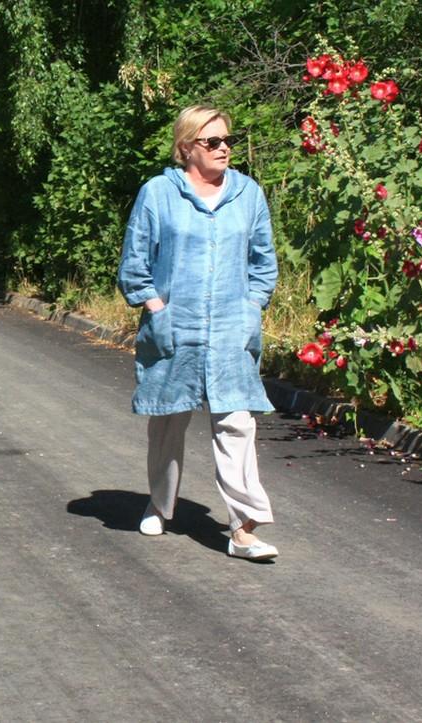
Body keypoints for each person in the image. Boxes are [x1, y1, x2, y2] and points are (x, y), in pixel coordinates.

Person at [116, 104, 280, 561]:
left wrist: (251, 308)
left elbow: (264, 264)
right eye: (212, 142)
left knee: (236, 425)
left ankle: (244, 529)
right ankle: (159, 503)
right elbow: (135, 263)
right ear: (187, 147)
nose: (224, 148)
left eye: (227, 140)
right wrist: (156, 307)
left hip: (231, 331)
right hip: (175, 327)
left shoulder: (248, 194)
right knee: (168, 422)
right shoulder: (158, 194)